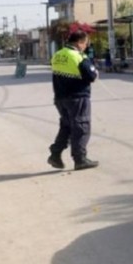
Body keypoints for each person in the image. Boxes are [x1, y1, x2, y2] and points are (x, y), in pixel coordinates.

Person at [48, 30, 99, 171]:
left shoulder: (57, 55)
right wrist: (95, 72)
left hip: (60, 97)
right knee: (81, 127)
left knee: (67, 127)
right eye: (85, 43)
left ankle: (55, 154)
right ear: (79, 42)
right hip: (77, 97)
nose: (86, 46)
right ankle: (80, 159)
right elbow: (91, 76)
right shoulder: (78, 56)